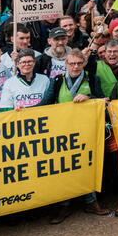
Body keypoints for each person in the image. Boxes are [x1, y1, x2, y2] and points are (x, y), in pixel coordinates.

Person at [46, 48, 109, 223]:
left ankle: (91, 202)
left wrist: (89, 97)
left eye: (79, 63)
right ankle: (64, 205)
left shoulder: (92, 78)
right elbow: (47, 101)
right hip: (63, 130)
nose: (75, 67)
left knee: (86, 164)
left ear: (84, 64)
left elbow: (102, 99)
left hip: (86, 129)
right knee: (65, 167)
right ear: (66, 64)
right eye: (72, 63)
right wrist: (23, 111)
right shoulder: (57, 80)